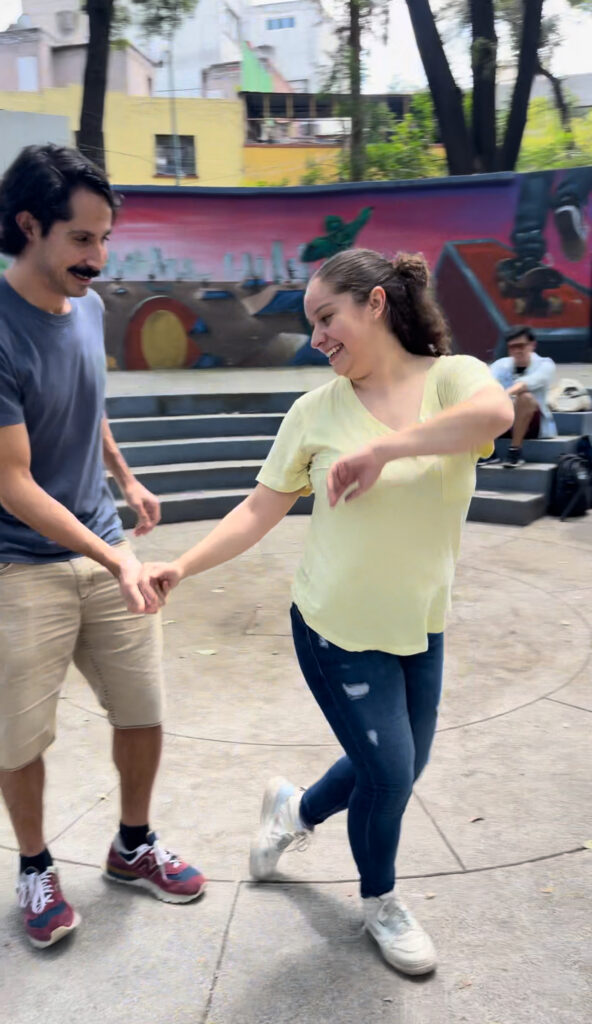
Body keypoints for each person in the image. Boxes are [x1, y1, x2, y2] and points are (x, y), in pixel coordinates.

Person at [141, 248, 513, 976]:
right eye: (311, 324)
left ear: (375, 303)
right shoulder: (314, 412)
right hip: (335, 629)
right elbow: (258, 510)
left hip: (420, 624)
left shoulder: (452, 379)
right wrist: (179, 566)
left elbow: (495, 413)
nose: (316, 337)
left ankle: (293, 812)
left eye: (326, 317)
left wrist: (386, 450)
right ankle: (381, 903)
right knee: (391, 776)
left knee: (397, 768)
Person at [0, 145, 206, 951]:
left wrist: (126, 475)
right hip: (20, 559)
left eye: (105, 238)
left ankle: (132, 845)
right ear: (29, 227)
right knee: (19, 736)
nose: (99, 258)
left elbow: (88, 400)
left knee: (144, 710)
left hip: (101, 536)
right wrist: (115, 556)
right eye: (83, 240)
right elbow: (14, 483)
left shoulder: (82, 306)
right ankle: (34, 865)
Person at [488, 326, 557, 468]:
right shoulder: (501, 364)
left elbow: (525, 384)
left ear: (532, 345)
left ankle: (515, 452)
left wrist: (503, 395)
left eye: (520, 346)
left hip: (532, 424)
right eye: (512, 347)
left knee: (524, 397)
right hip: (504, 421)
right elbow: (486, 381)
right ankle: (487, 452)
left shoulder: (545, 364)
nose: (517, 351)